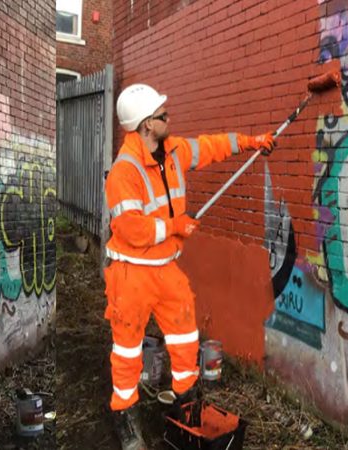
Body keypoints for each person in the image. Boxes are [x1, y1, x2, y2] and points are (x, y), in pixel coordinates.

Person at [104, 83, 275, 449]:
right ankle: (125, 415)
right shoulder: (124, 171)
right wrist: (175, 226)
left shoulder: (175, 151)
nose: (170, 117)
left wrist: (250, 141)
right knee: (127, 350)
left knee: (184, 336)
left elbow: (211, 146)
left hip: (166, 268)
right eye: (163, 115)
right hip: (130, 273)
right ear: (147, 124)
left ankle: (186, 404)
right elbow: (131, 229)